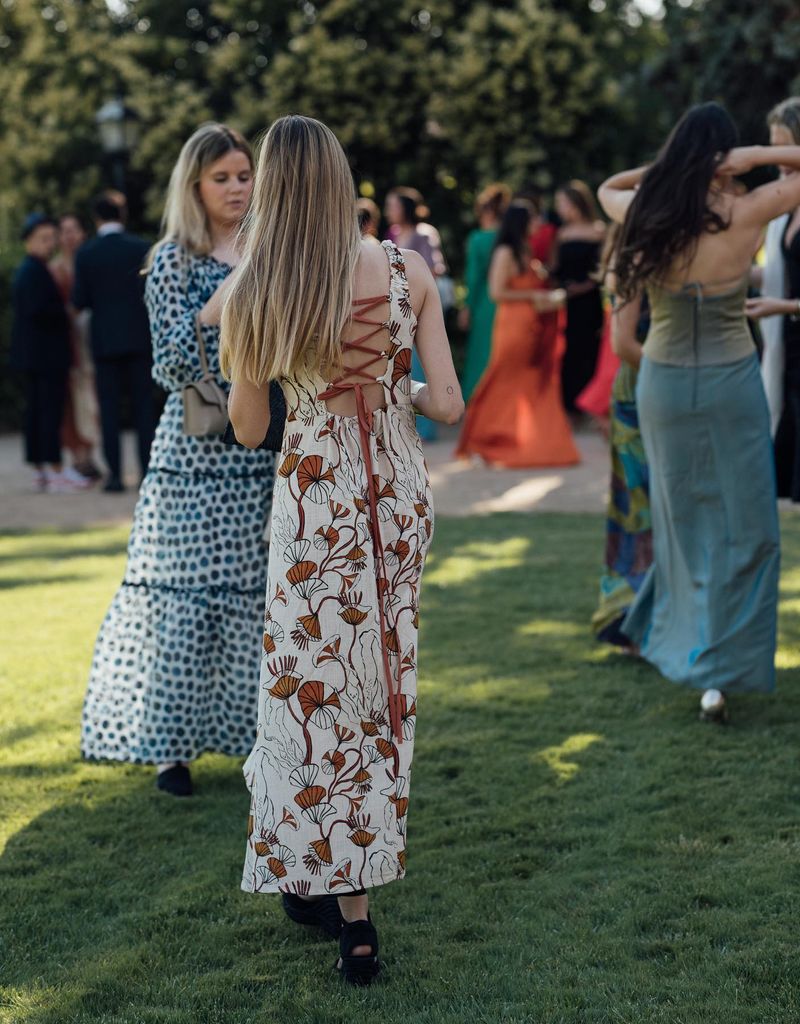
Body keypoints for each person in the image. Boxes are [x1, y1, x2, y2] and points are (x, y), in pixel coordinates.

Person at [221, 115, 463, 985]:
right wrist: (392, 385)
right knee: (382, 686)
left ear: (275, 188)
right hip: (394, 497)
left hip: (316, 504)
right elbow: (448, 405)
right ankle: (342, 887)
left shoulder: (261, 288)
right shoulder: (407, 270)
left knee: (315, 693)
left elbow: (249, 430)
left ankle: (342, 902)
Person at [599, 101, 800, 722]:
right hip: (729, 382)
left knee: (682, 525)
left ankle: (695, 660)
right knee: (747, 527)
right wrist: (751, 158)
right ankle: (719, 671)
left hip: (664, 383)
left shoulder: (646, 210)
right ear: (725, 158)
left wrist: (674, 167)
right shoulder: (748, 210)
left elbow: (606, 187)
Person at [81, 124, 279, 798]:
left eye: (243, 176)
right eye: (221, 177)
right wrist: (225, 296)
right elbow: (168, 362)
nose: (235, 188)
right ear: (194, 185)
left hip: (259, 451)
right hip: (193, 454)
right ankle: (171, 750)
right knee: (183, 604)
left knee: (258, 602)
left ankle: (262, 742)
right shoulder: (173, 259)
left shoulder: (273, 251)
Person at [455, 201, 579, 468]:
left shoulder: (525, 250)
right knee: (503, 379)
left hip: (530, 323)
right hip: (513, 324)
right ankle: (482, 439)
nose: (538, 225)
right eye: (533, 220)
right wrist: (535, 295)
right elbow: (497, 292)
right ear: (521, 222)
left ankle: (525, 439)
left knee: (528, 381)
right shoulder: (505, 252)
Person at [746, 96, 800, 533]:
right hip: (796, 364)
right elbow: (777, 275)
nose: (778, 161)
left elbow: (796, 293)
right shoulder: (790, 210)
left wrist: (789, 307)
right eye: (771, 148)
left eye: (785, 149)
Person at [72, 193, 155, 492]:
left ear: (96, 218)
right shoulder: (142, 247)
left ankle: (116, 476)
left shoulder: (86, 253)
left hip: (105, 342)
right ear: (121, 215)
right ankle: (147, 472)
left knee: (108, 410)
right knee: (143, 408)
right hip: (140, 338)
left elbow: (79, 300)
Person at [592, 290, 652, 646]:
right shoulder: (636, 262)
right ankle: (632, 619)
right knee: (637, 513)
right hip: (636, 398)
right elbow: (621, 343)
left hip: (651, 394)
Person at [10, 214, 80, 493]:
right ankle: (54, 470)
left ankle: (43, 470)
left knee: (39, 413)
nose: (49, 244)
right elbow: (39, 312)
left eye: (51, 238)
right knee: (47, 413)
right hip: (45, 356)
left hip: (37, 356)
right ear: (29, 239)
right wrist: (65, 313)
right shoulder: (33, 271)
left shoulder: (30, 269)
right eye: (44, 238)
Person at [385, 186, 450, 440]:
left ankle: (425, 428)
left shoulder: (424, 234)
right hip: (397, 308)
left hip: (419, 306)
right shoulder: (393, 233)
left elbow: (433, 269)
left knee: (422, 362)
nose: (390, 209)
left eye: (394, 204)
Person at [50, 213, 102, 483]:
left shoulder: (89, 263)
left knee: (91, 401)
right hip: (68, 344)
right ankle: (78, 457)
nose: (69, 236)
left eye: (74, 230)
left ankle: (90, 456)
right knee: (71, 402)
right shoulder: (55, 269)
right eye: (64, 231)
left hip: (91, 341)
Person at [552, 181, 606, 415]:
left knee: (590, 350)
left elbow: (603, 268)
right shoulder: (562, 233)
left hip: (590, 300)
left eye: (562, 203)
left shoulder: (598, 230)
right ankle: (570, 406)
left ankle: (591, 405)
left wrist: (585, 286)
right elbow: (555, 267)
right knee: (568, 352)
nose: (559, 208)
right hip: (566, 301)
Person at [459, 182, 511, 400]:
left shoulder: (478, 239)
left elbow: (474, 277)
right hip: (508, 303)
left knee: (481, 354)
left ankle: (478, 400)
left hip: (483, 303)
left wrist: (467, 307)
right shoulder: (508, 238)